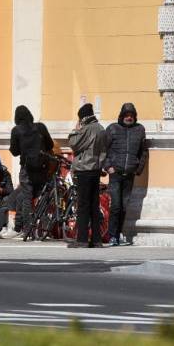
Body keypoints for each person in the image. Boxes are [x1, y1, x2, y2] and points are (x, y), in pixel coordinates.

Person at [104, 103, 148, 246]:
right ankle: (112, 236)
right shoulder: (112, 129)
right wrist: (108, 166)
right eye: (126, 115)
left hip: (129, 174)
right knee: (116, 206)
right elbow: (103, 150)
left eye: (131, 116)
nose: (129, 118)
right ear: (121, 116)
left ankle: (118, 235)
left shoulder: (140, 130)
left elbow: (143, 152)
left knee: (123, 207)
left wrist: (138, 169)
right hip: (115, 173)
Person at [8, 105, 54, 238]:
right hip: (42, 168)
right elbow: (50, 145)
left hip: (27, 169)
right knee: (42, 198)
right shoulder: (41, 127)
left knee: (27, 199)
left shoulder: (16, 130)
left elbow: (15, 152)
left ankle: (27, 230)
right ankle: (44, 230)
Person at [67, 103, 107, 248]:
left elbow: (73, 143)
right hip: (96, 169)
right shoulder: (101, 128)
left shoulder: (86, 129)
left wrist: (76, 129)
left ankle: (82, 239)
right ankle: (96, 240)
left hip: (84, 169)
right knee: (94, 206)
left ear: (83, 117)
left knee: (83, 205)